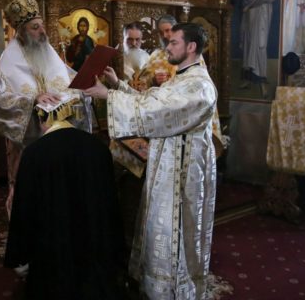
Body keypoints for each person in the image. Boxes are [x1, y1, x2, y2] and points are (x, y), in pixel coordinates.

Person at [84, 22, 218, 299]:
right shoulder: (182, 78)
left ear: (191, 47)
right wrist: (118, 85)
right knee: (159, 225)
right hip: (167, 168)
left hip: (184, 175)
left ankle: (175, 289)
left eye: (174, 42)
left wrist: (108, 96)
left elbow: (158, 111)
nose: (167, 47)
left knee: (176, 231)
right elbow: (153, 100)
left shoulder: (200, 86)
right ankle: (156, 286)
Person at [4, 103, 124, 300]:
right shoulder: (98, 148)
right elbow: (110, 202)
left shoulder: (34, 152)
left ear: (42, 120)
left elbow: (24, 207)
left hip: (51, 253)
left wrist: (19, 252)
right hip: (93, 249)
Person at [0, 0, 91, 216]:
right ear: (22, 31)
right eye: (35, 28)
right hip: (30, 143)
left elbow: (69, 79)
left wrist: (83, 89)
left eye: (42, 25)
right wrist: (31, 99)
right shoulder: (9, 59)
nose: (42, 32)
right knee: (32, 197)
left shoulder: (48, 51)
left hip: (60, 137)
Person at [239, 0, 279, 98]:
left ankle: (262, 81)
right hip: (251, 13)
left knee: (260, 44)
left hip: (262, 11)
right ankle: (248, 79)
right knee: (249, 44)